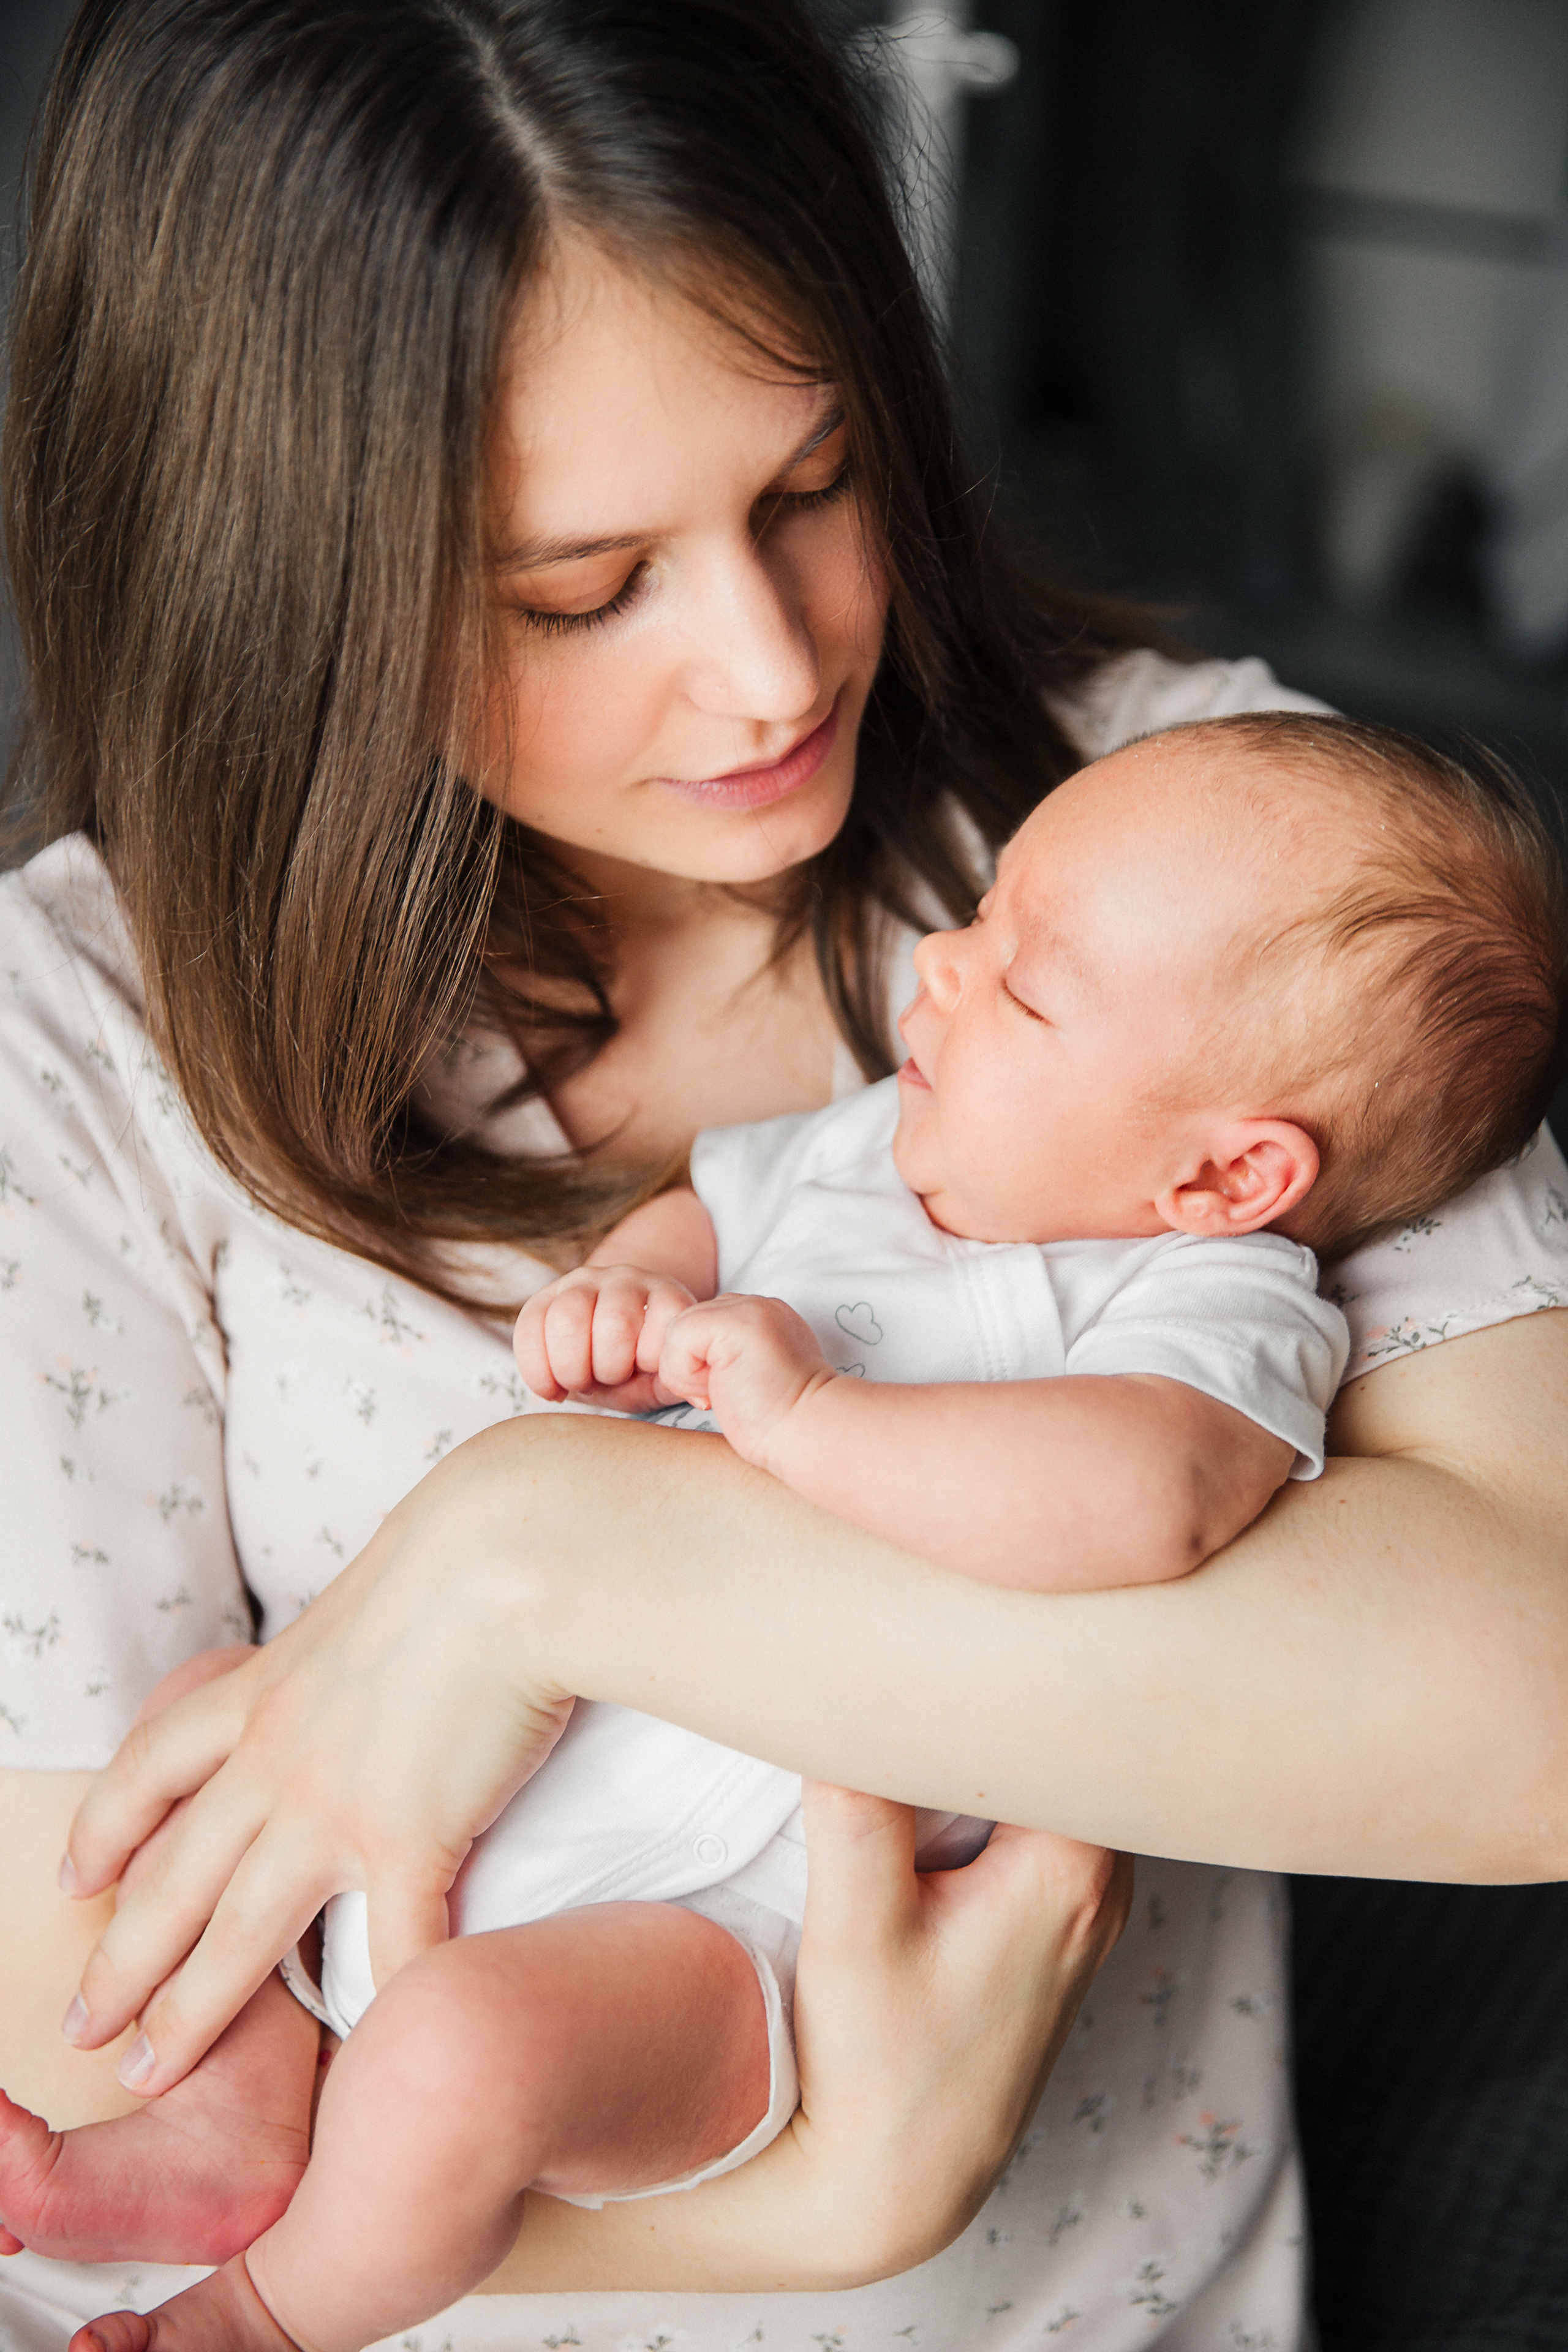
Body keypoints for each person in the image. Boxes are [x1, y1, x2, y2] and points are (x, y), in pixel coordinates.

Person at [4, 4, 1568, 2350]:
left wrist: (541, 1557)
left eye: (813, 483)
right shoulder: (77, 1040)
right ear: (280, 582)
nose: (767, 670)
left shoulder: (1221, 870)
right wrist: (836, 2200)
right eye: (578, 588)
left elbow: (1525, 1710)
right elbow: (86, 2030)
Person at [15, 706, 1562, 2352]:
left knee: (459, 2063)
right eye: (978, 922)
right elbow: (711, 1207)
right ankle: (226, 2124)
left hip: (723, 1921)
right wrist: (640, 1289)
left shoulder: (1209, 1307)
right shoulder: (873, 1159)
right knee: (201, 1733)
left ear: (1223, 1177)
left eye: (1024, 987)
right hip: (480, 1794)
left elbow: (1145, 1502)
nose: (942, 971)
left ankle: (259, 2310)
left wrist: (814, 1423)